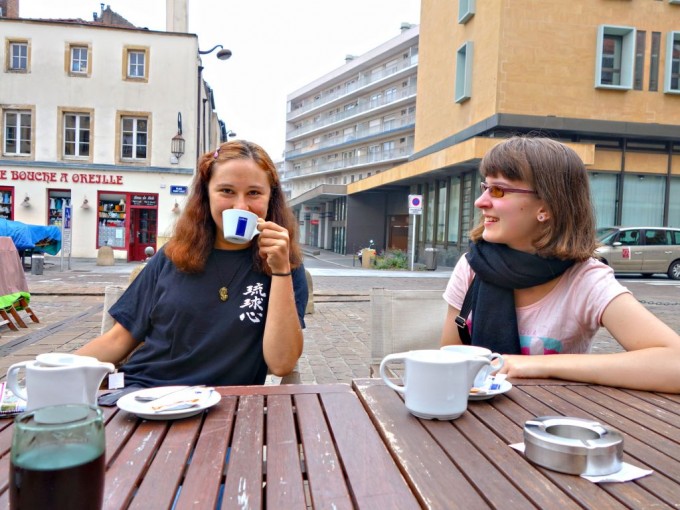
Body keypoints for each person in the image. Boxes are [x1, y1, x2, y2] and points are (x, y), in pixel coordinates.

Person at [440, 136, 680, 393]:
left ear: (546, 207)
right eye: (485, 187)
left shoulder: (585, 280)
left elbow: (674, 363)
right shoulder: (473, 266)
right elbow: (448, 362)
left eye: (498, 190)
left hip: (555, 413)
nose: (480, 201)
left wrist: (535, 366)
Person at [77, 140, 308, 388]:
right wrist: (54, 372)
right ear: (206, 194)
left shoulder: (284, 265)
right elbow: (118, 340)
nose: (240, 206)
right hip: (143, 393)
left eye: (254, 193)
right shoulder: (173, 255)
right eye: (226, 191)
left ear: (271, 197)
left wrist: (281, 271)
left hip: (224, 403)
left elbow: (281, 364)